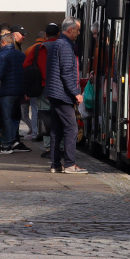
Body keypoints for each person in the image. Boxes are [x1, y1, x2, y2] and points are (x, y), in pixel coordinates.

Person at [44, 17, 86, 174]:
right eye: (77, 30)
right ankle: (70, 164)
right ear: (70, 30)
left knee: (56, 129)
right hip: (62, 94)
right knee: (71, 128)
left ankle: (55, 164)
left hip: (54, 93)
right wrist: (76, 93)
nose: (78, 33)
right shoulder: (66, 46)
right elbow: (67, 72)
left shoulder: (56, 44)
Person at [0, 25, 28, 154]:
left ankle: (6, 145)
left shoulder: (3, 55)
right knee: (14, 118)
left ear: (4, 42)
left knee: (6, 118)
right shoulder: (20, 55)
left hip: (6, 92)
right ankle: (12, 141)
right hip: (18, 92)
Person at [25, 23, 59, 153]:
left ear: (45, 35)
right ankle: (60, 146)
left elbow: (26, 64)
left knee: (45, 115)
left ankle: (48, 147)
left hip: (43, 87)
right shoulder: (62, 46)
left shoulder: (38, 48)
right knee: (60, 116)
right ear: (58, 34)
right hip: (59, 88)